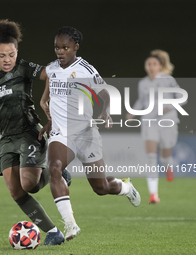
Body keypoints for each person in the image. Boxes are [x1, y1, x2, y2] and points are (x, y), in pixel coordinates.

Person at [0, 19, 65, 245]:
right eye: (2, 55)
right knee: (16, 191)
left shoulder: (24, 68)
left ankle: (58, 173)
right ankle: (54, 233)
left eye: (11, 54)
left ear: (16, 52)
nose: (7, 59)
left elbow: (51, 74)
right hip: (7, 139)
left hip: (29, 132)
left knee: (30, 185)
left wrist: (46, 99)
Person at [39, 26, 141, 241]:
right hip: (61, 134)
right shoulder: (52, 69)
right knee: (55, 168)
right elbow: (47, 96)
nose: (60, 52)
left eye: (65, 47)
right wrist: (49, 120)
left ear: (76, 47)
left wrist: (105, 110)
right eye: (57, 47)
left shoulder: (85, 69)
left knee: (101, 187)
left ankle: (125, 187)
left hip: (86, 134)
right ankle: (70, 225)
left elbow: (106, 94)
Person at [126, 49, 183, 204]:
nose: (151, 66)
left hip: (168, 121)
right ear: (145, 66)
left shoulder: (168, 80)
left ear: (160, 66)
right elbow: (141, 101)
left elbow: (181, 98)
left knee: (165, 154)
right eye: (148, 64)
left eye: (154, 64)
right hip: (149, 121)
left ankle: (168, 165)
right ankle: (153, 194)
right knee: (151, 158)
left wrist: (169, 107)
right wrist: (132, 112)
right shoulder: (143, 83)